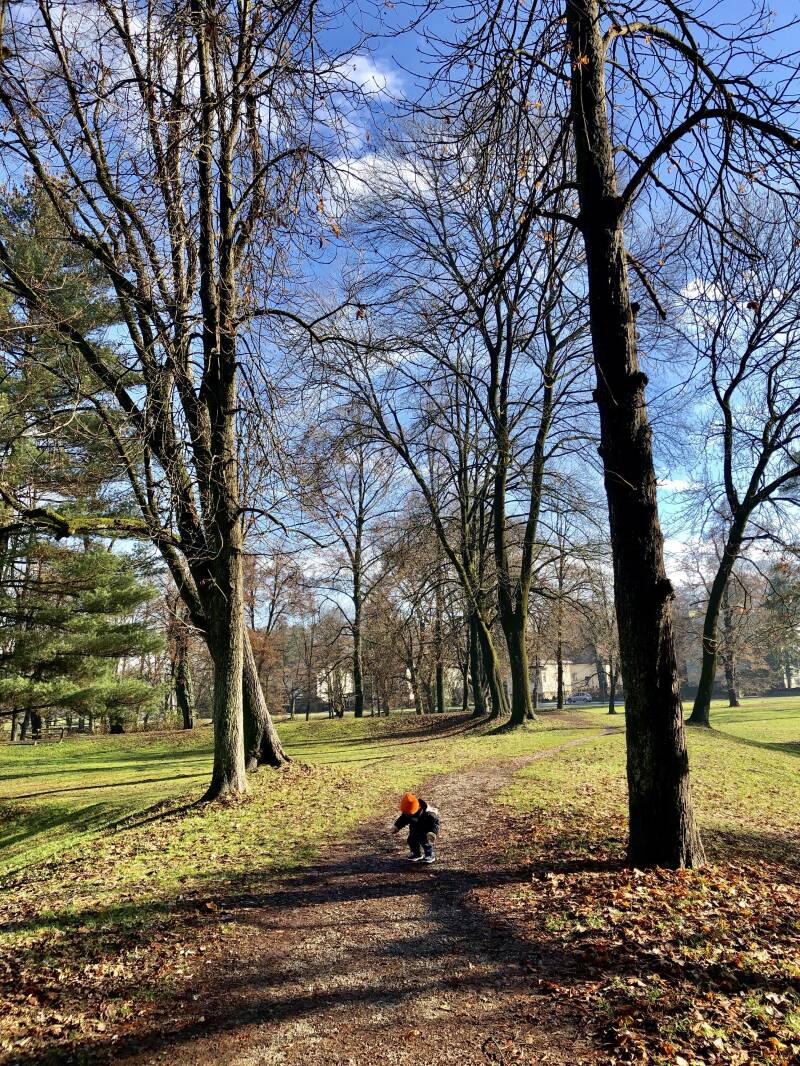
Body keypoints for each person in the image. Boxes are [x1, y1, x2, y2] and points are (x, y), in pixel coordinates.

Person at [392, 792, 440, 864]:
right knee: (411, 841)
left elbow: (435, 823)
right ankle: (416, 854)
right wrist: (397, 826)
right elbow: (403, 819)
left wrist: (433, 832)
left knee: (425, 843)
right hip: (414, 829)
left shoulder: (428, 813)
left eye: (409, 813)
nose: (407, 815)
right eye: (406, 813)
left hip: (425, 831)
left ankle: (429, 855)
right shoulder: (407, 813)